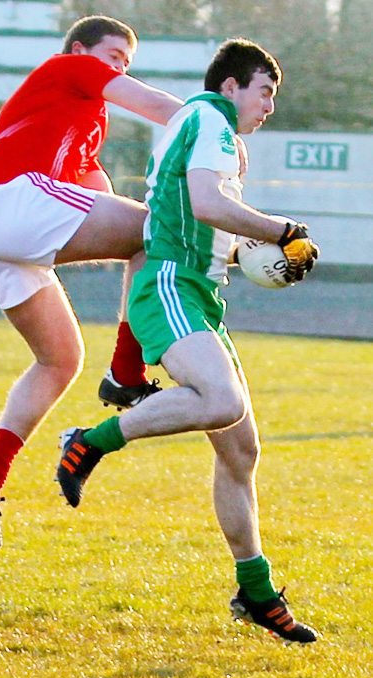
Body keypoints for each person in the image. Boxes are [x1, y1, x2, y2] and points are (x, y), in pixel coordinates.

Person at [57, 37, 320, 644]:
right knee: (222, 402)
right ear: (232, 86)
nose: (269, 106)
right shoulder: (211, 117)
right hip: (171, 282)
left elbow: (205, 213)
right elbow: (204, 203)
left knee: (240, 452)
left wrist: (257, 254)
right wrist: (281, 231)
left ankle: (255, 592)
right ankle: (88, 441)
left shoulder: (208, 127)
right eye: (265, 91)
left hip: (200, 291)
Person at [0, 15, 184, 551]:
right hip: (8, 202)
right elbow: (156, 106)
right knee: (157, 230)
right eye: (113, 55)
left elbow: (97, 187)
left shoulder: (82, 122)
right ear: (81, 49)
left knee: (60, 359)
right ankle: (126, 371)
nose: (119, 66)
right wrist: (211, 129)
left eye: (127, 61)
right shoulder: (70, 68)